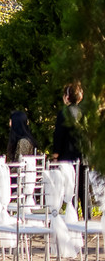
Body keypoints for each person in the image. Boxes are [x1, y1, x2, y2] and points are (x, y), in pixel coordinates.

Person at [52, 82, 86, 214]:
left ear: (67, 96)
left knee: (70, 187)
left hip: (68, 155)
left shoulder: (64, 113)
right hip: (84, 154)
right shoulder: (84, 112)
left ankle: (73, 216)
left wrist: (56, 154)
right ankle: (87, 220)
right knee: (83, 188)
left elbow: (59, 135)